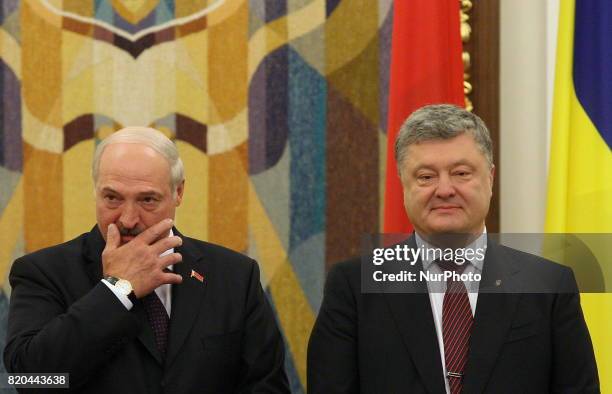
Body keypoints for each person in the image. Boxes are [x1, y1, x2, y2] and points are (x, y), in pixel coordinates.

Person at [307, 104, 599, 393]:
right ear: (403, 185)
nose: (444, 189)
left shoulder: (548, 286)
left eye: (461, 173)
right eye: (426, 177)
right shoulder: (352, 286)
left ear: (490, 178)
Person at [4, 127, 290, 393]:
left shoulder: (235, 276)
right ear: (95, 191)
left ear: (178, 193)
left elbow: (266, 386)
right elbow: (31, 379)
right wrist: (116, 291)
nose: (128, 219)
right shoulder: (43, 272)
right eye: (112, 198)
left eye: (148, 200)